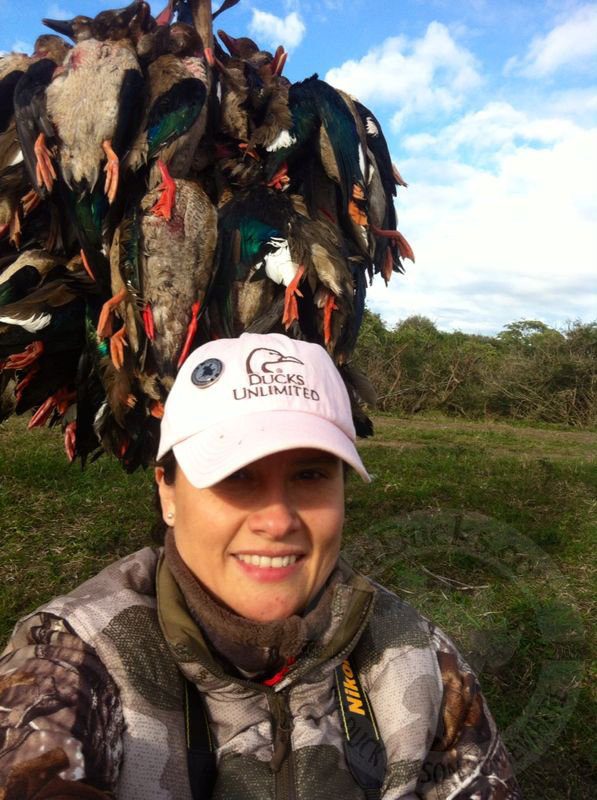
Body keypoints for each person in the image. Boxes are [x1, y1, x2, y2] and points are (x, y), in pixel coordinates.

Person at [0, 333, 521, 799]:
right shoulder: (71, 659)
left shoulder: (415, 654)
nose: (277, 521)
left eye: (310, 475)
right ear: (168, 494)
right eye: (237, 476)